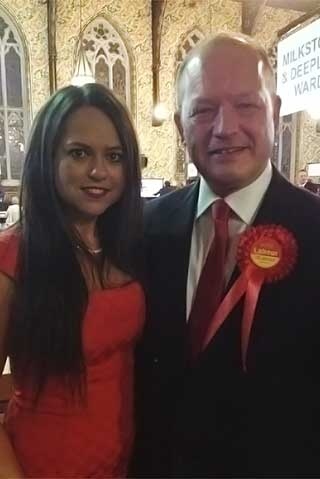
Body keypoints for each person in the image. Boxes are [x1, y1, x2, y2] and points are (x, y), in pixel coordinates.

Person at [133, 32, 320, 477]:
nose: (225, 127)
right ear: (180, 127)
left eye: (246, 105)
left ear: (274, 112)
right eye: (203, 109)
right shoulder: (146, 229)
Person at [0, 83, 145, 477]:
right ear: (48, 158)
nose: (99, 171)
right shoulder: (13, 257)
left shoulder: (130, 246)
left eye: (114, 157)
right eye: (79, 153)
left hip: (124, 462)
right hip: (42, 465)